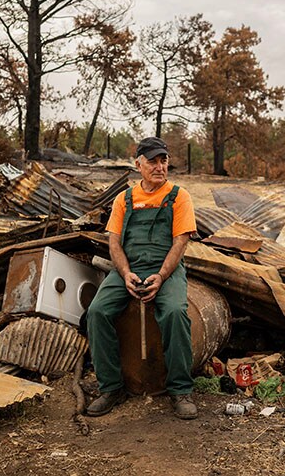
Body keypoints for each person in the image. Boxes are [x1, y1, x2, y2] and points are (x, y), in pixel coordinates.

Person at [85, 136, 198, 419]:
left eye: (164, 160)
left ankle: (180, 390)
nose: (159, 167)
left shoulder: (179, 196)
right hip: (129, 268)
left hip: (165, 269)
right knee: (97, 312)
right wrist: (124, 274)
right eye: (152, 161)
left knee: (174, 312)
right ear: (138, 165)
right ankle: (111, 387)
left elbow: (180, 242)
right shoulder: (124, 199)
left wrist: (160, 276)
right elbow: (113, 243)